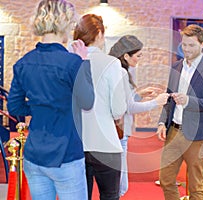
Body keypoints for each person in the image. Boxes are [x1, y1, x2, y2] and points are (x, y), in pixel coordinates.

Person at [7, 0, 94, 199]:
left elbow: (14, 107)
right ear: (63, 22)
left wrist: (39, 107)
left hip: (35, 154)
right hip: (66, 155)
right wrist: (84, 62)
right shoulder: (73, 62)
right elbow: (88, 101)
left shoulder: (23, 63)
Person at [157, 24, 203, 200]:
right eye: (184, 45)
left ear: (202, 44)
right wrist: (162, 122)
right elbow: (168, 98)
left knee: (195, 186)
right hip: (173, 132)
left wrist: (188, 101)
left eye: (191, 45)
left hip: (198, 136)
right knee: (166, 179)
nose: (186, 49)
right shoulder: (176, 67)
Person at [73, 14, 127, 200]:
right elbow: (119, 110)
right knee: (110, 195)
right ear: (99, 34)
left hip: (76, 144)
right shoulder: (112, 63)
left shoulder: (70, 61)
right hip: (106, 145)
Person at [109, 35, 169, 196]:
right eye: (138, 56)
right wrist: (156, 102)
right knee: (121, 185)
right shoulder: (121, 72)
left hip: (116, 131)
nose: (139, 59)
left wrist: (139, 94)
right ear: (126, 55)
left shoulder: (117, 70)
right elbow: (129, 107)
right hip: (120, 131)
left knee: (118, 183)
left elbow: (123, 101)